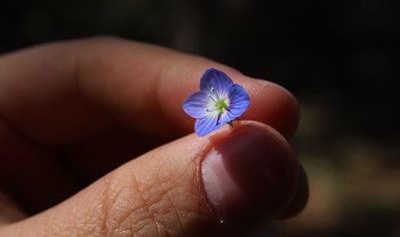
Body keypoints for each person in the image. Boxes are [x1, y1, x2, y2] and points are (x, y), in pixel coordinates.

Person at [0, 37, 308, 236]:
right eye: (216, 101)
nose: (219, 102)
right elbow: (197, 113)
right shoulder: (211, 115)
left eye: (222, 101)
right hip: (221, 119)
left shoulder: (229, 102)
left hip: (227, 114)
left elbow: (221, 105)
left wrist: (224, 111)